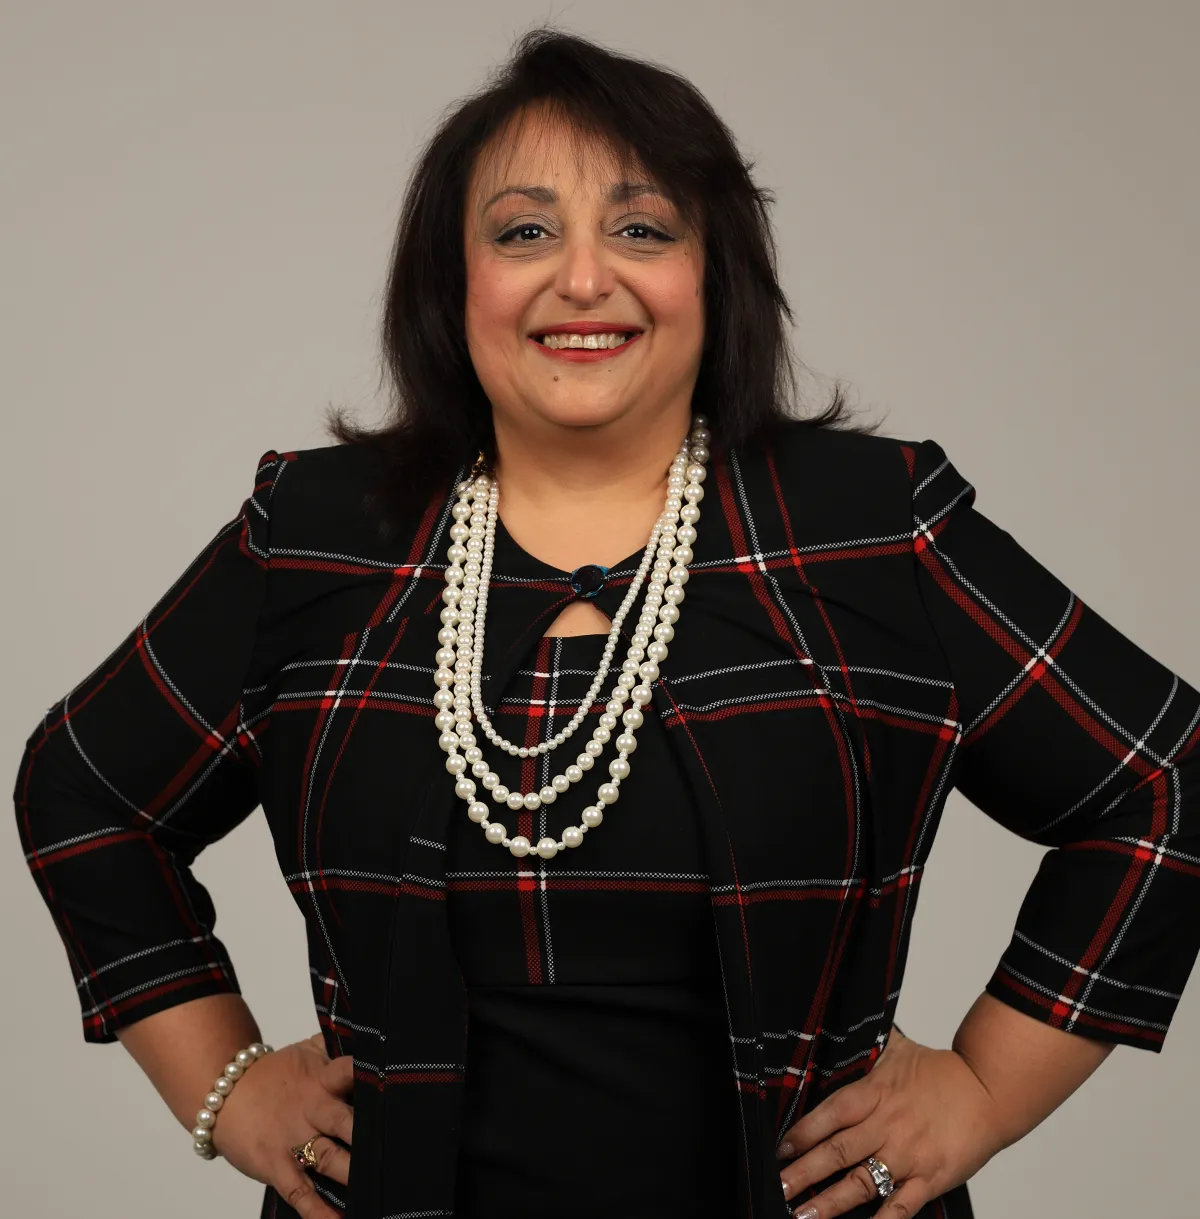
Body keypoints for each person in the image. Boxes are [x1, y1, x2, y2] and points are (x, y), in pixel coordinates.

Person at [13, 27, 1200, 1219]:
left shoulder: (868, 525)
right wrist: (224, 1088)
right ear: (452, 280)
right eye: (525, 232)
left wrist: (986, 1089)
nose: (584, 279)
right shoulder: (320, 534)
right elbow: (85, 794)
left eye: (642, 228)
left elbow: (1165, 781)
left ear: (715, 272)